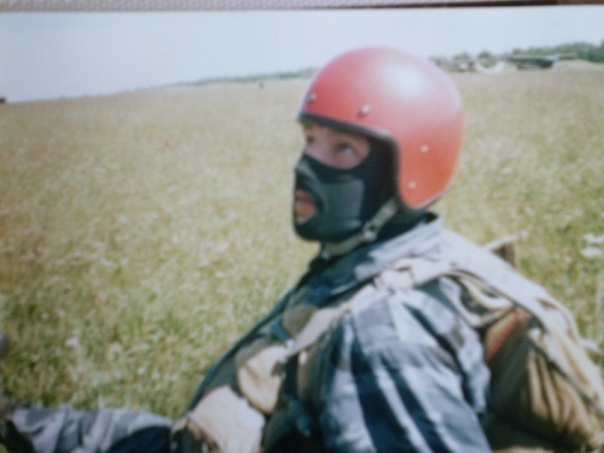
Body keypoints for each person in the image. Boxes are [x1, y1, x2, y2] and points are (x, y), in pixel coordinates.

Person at [0, 47, 597, 453]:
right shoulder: (391, 258)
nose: (308, 166)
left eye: (343, 150)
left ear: (408, 171)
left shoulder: (381, 334)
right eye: (310, 139)